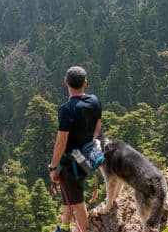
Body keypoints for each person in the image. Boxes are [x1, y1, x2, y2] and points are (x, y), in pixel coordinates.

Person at [49, 66, 102, 232]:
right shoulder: (94, 101)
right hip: (86, 159)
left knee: (78, 203)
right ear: (85, 82)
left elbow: (61, 142)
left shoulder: (66, 109)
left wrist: (53, 167)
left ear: (66, 82)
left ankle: (82, 230)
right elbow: (97, 128)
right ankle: (64, 227)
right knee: (70, 196)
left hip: (70, 164)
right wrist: (90, 144)